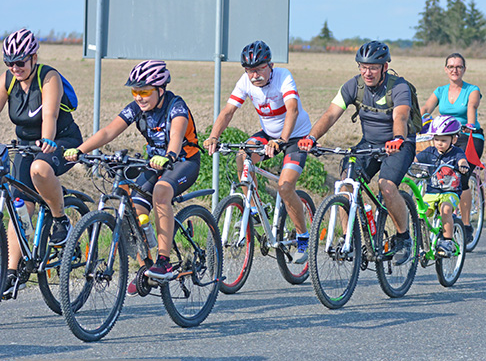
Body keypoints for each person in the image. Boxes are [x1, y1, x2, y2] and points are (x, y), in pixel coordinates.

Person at [65, 60, 201, 291]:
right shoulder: (137, 108)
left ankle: (164, 262)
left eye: (144, 91)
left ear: (160, 90)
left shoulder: (176, 107)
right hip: (153, 163)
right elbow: (108, 131)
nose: (138, 97)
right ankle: (145, 268)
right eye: (135, 91)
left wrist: (169, 154)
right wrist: (81, 150)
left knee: (161, 191)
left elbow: (177, 135)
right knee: (133, 211)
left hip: (183, 161)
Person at [298, 40, 415, 265]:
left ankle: (403, 237)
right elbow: (331, 114)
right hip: (369, 143)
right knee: (346, 186)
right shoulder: (354, 86)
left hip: (399, 144)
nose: (367, 72)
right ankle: (348, 239)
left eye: (372, 67)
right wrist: (312, 138)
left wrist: (398, 138)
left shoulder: (399, 87)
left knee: (387, 187)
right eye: (362, 66)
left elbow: (400, 116)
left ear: (385, 66)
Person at [204, 40, 312, 263]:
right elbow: (227, 112)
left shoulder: (283, 76)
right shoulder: (246, 81)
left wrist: (282, 140)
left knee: (285, 186)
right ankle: (254, 206)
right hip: (269, 133)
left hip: (295, 137)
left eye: (259, 69)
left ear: (270, 65)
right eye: (249, 70)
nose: (254, 75)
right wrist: (214, 136)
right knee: (242, 155)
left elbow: (292, 110)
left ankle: (303, 237)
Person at [1, 29, 83, 297]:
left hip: (61, 140)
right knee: (18, 204)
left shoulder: (49, 77)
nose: (15, 68)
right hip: (25, 145)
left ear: (33, 57)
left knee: (40, 168)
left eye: (20, 62)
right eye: (9, 63)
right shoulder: (8, 81)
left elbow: (49, 114)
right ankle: (12, 273)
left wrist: (47, 141)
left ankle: (60, 220)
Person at [419, 52, 483, 244]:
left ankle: (465, 224)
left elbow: (471, 107)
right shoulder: (440, 91)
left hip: (469, 136)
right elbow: (425, 110)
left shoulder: (472, 90)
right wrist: (415, 123)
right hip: (444, 135)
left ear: (464, 69)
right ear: (446, 69)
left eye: (459, 67)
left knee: (461, 178)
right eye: (451, 66)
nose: (455, 70)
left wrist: (470, 125)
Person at [415, 115, 470, 257]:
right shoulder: (429, 152)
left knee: (445, 209)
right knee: (421, 213)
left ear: (454, 139)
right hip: (432, 191)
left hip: (451, 192)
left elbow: (462, 160)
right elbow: (415, 160)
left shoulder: (456, 152)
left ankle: (447, 241)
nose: (439, 143)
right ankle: (422, 241)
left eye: (444, 140)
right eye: (436, 139)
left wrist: (463, 165)